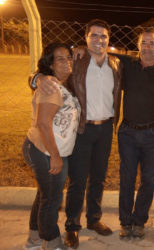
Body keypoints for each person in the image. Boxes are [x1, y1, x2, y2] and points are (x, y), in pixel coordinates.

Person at [31, 19, 123, 249]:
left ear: (108, 39)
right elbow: (48, 70)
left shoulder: (116, 65)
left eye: (103, 36)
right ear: (86, 37)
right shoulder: (76, 62)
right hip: (82, 129)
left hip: (106, 128)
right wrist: (37, 79)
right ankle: (72, 227)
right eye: (94, 35)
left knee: (99, 178)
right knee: (78, 180)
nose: (99, 40)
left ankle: (94, 219)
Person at [114, 28, 154, 240]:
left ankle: (139, 221)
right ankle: (125, 222)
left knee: (148, 180)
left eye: (152, 43)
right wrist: (80, 49)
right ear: (138, 46)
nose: (148, 47)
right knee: (127, 178)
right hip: (128, 134)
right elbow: (102, 52)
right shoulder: (128, 66)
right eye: (144, 43)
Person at [22, 42, 80, 250]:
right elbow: (43, 123)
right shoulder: (51, 86)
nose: (66, 63)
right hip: (45, 150)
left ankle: (34, 239)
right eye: (60, 59)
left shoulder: (60, 84)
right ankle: (52, 242)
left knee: (44, 195)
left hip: (50, 149)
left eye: (68, 58)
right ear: (50, 64)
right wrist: (55, 156)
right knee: (52, 199)